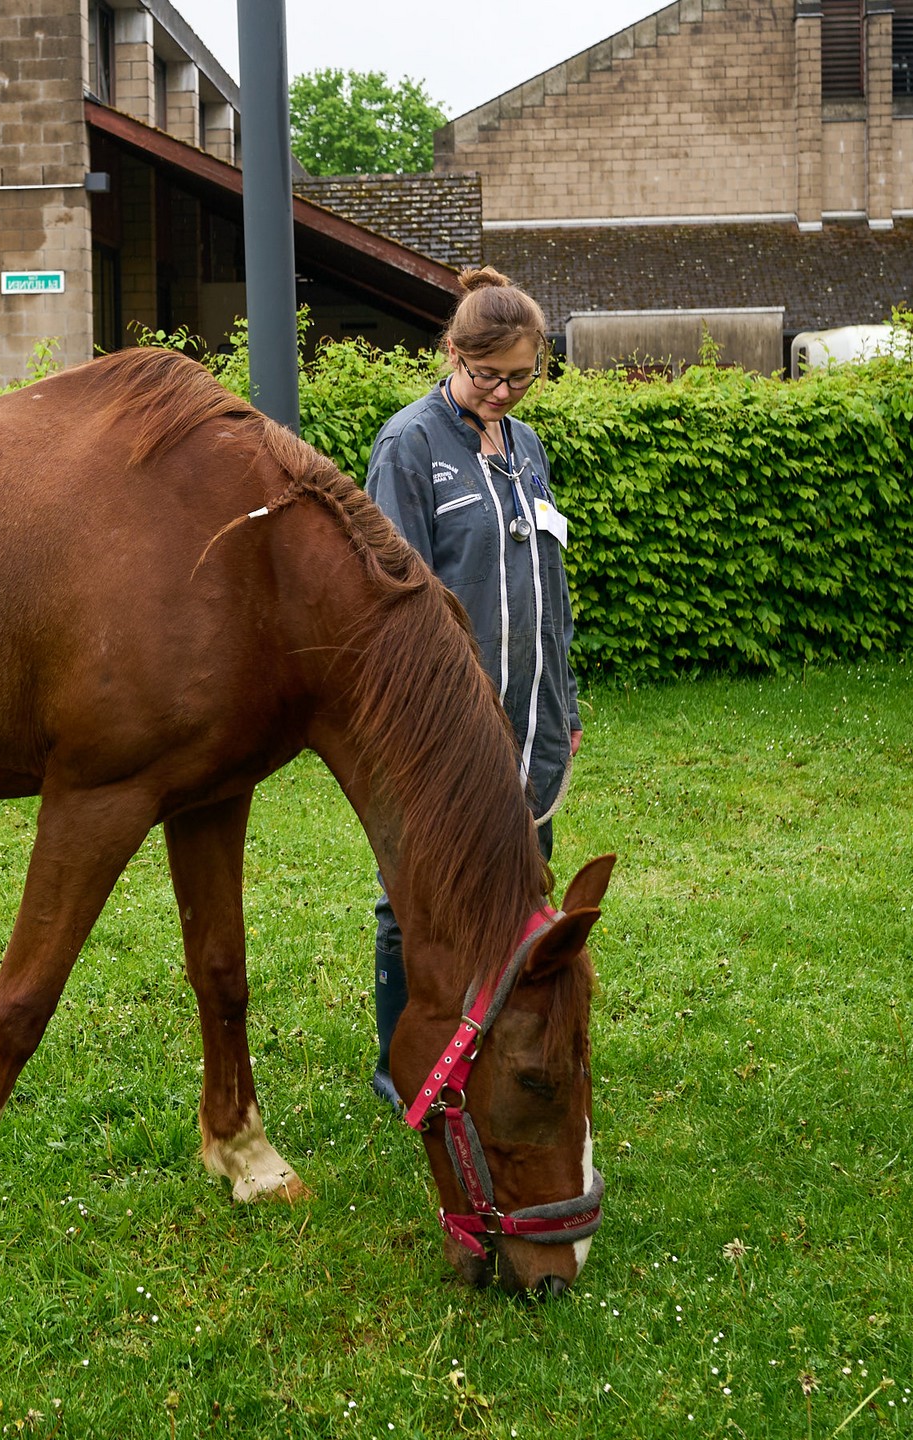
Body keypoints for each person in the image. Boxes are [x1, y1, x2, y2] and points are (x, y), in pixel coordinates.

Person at [362, 266, 582, 1109]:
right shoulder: (410, 446)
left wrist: (564, 703)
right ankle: (401, 1065)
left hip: (533, 713)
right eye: (487, 375)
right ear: (452, 354)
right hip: (446, 725)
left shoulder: (528, 448)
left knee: (521, 883)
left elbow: (549, 587)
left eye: (521, 377)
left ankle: (496, 1039)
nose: (501, 392)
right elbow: (392, 602)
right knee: (418, 896)